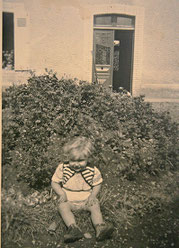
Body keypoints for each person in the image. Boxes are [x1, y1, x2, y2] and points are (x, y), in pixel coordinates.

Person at [50, 136, 114, 243]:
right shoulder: (63, 168)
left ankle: (100, 227)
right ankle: (73, 228)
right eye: (73, 160)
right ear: (68, 158)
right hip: (68, 200)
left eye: (81, 160)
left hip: (86, 200)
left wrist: (93, 196)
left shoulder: (93, 170)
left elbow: (97, 184)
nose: (76, 164)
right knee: (62, 206)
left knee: (95, 205)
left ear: (88, 158)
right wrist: (61, 194)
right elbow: (54, 182)